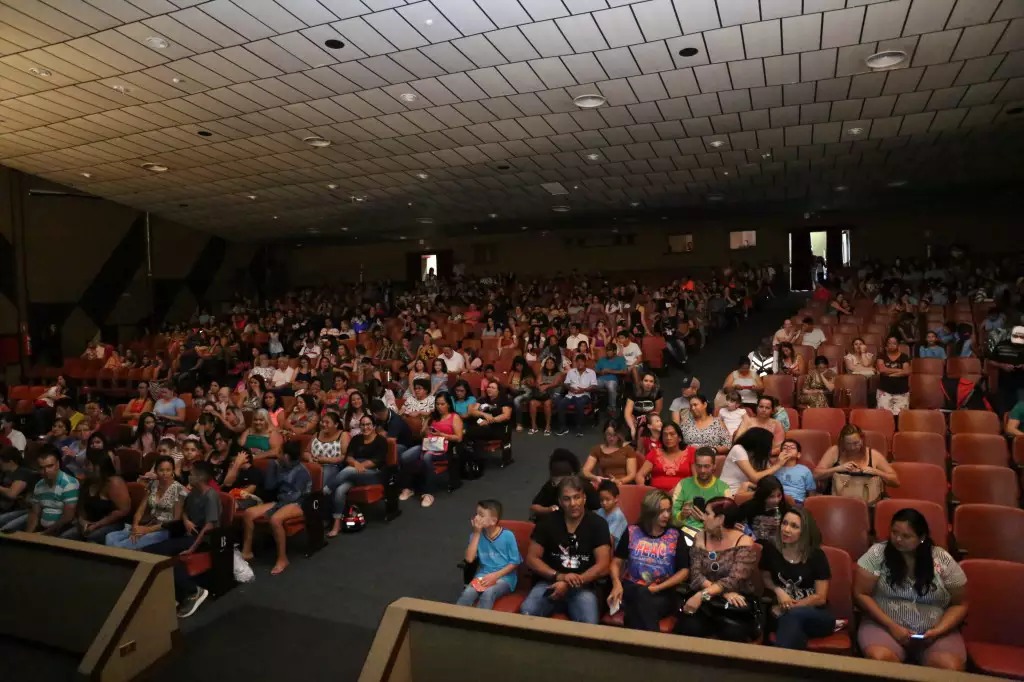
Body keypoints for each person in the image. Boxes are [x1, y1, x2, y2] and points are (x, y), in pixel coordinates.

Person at [855, 508, 968, 670]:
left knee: (950, 666)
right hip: (885, 626)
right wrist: (892, 626)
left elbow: (960, 603)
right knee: (880, 658)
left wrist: (938, 630)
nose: (898, 539)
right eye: (894, 532)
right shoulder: (877, 553)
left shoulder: (941, 558)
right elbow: (861, 593)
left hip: (935, 631)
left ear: (921, 538)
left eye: (906, 536)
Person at [520, 475, 611, 624]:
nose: (573, 503)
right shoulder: (547, 522)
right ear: (560, 502)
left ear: (584, 498)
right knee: (527, 612)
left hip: (583, 587)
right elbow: (532, 559)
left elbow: (603, 565)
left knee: (590, 624)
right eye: (567, 499)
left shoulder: (598, 524)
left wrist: (569, 583)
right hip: (549, 583)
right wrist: (559, 577)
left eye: (577, 497)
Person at [676, 497, 759, 642]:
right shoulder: (701, 537)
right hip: (708, 600)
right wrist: (720, 593)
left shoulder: (745, 542)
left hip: (734, 604)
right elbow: (696, 575)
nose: (704, 517)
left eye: (707, 514)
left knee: (733, 633)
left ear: (720, 519)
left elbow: (735, 580)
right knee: (689, 627)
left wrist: (702, 595)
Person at [146, 461, 222, 619]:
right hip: (188, 534)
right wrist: (186, 520)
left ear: (201, 476)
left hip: (203, 540)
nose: (190, 475)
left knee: (165, 554)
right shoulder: (193, 492)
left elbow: (209, 527)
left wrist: (193, 548)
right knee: (154, 551)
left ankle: (193, 591)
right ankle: (173, 592)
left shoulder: (210, 496)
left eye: (193, 473)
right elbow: (185, 512)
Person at [608, 490, 690, 631]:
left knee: (637, 606)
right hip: (632, 587)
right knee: (641, 595)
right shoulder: (632, 531)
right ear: (650, 511)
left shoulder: (675, 535)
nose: (666, 515)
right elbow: (616, 562)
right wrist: (616, 583)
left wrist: (657, 588)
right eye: (661, 511)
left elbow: (684, 571)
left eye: (668, 510)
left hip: (662, 593)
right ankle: (654, 647)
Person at [761, 507, 835, 650]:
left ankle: (779, 664)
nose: (786, 529)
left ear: (805, 532)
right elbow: (765, 577)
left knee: (791, 617)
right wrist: (779, 591)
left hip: (816, 614)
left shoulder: (816, 555)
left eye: (794, 526)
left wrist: (790, 607)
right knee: (793, 628)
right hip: (782, 614)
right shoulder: (771, 549)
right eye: (784, 523)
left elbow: (820, 597)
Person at [240, 441, 311, 574]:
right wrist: (272, 468)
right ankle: (247, 552)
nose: (277, 454)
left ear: (287, 456)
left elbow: (294, 497)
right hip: (280, 500)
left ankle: (282, 559)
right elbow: (269, 487)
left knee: (275, 519)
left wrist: (273, 510)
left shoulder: (302, 472)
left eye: (280, 452)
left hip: (299, 503)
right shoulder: (279, 465)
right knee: (249, 513)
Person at [107, 455, 186, 549]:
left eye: (168, 470)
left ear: (173, 471)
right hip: (149, 523)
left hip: (164, 529)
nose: (164, 473)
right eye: (161, 470)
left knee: (120, 545)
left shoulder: (179, 490)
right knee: (110, 537)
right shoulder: (153, 484)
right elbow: (140, 510)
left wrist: (147, 530)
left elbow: (175, 521)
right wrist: (135, 526)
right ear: (156, 471)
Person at [456, 499, 522, 610]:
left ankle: (481, 623)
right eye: (476, 514)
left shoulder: (508, 536)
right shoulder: (475, 536)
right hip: (483, 575)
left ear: (493, 521)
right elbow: (469, 559)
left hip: (504, 578)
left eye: (481, 515)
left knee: (488, 593)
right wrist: (477, 533)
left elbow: (515, 562)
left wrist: (495, 576)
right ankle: (456, 618)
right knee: (468, 593)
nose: (476, 518)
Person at [402, 392, 462, 508]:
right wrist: (425, 428)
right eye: (437, 404)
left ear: (448, 404)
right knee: (405, 456)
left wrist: (441, 434)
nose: (439, 407)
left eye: (442, 404)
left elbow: (459, 438)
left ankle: (428, 492)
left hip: (444, 448)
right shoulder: (433, 416)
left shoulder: (454, 417)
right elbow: (422, 434)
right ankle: (409, 487)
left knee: (427, 457)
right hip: (428, 444)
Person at [62, 449, 131, 543]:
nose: (84, 467)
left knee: (93, 537)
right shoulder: (87, 482)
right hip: (89, 523)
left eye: (87, 464)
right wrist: (82, 521)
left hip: (112, 524)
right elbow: (80, 506)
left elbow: (123, 511)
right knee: (65, 537)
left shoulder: (114, 482)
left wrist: (97, 525)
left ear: (98, 466)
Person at [814, 424, 899, 499]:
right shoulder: (835, 451)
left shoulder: (873, 454)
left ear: (862, 439)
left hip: (869, 505)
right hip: (840, 505)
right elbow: (816, 474)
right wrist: (838, 468)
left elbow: (896, 481)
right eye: (848, 444)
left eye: (856, 443)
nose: (852, 447)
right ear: (842, 442)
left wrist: (877, 472)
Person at [671, 447, 730, 531]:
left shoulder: (723, 488)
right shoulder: (683, 484)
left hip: (712, 533)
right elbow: (672, 515)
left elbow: (728, 521)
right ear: (694, 465)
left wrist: (707, 520)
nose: (702, 470)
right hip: (686, 530)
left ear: (714, 466)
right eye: (699, 466)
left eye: (706, 466)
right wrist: (682, 515)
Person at [529, 449, 600, 519]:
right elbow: (534, 507)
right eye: (556, 479)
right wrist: (548, 510)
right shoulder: (551, 486)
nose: (559, 483)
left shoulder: (585, 486)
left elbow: (599, 509)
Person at [25, 445, 79, 536]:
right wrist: (28, 535)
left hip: (63, 528)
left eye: (50, 466)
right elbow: (35, 513)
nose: (46, 471)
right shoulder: (39, 485)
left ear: (58, 464)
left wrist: (43, 534)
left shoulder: (69, 483)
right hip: (43, 527)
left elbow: (68, 517)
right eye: (42, 468)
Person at [720, 426, 789, 495]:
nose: (771, 447)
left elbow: (767, 477)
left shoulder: (759, 455)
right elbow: (755, 478)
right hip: (730, 492)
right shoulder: (738, 449)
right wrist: (778, 465)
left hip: (749, 491)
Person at [635, 422, 693, 492]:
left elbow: (697, 478)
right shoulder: (655, 453)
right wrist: (644, 490)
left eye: (672, 434)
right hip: (657, 497)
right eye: (665, 435)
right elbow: (639, 475)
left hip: (683, 495)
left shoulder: (691, 452)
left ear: (679, 438)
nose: (668, 438)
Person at [582, 419, 637, 487]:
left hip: (623, 484)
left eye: (615, 435)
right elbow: (585, 471)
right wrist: (595, 477)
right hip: (606, 484)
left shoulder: (628, 449)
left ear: (619, 435)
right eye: (609, 434)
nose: (611, 438)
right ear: (604, 433)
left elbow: (632, 474)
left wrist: (619, 481)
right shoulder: (597, 449)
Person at [554, 354, 597, 437]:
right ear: (576, 363)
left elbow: (594, 386)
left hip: (584, 394)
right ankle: (563, 428)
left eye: (582, 362)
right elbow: (566, 383)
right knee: (561, 404)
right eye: (578, 362)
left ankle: (579, 428)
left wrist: (584, 389)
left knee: (579, 403)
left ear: (585, 362)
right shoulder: (571, 371)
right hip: (571, 394)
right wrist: (570, 388)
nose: (580, 363)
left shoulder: (591, 372)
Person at [737, 475, 787, 545]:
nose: (776, 500)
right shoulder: (748, 507)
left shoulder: (785, 507)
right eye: (771, 496)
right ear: (762, 495)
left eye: (779, 495)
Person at [0, 446, 35, 531]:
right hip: (5, 506)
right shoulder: (5, 472)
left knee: (5, 527)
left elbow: (12, 493)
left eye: (1, 463)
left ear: (11, 462)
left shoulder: (23, 472)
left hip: (20, 509)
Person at [875, 335, 911, 415]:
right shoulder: (882, 355)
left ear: (898, 345)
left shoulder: (904, 356)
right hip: (885, 391)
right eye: (889, 343)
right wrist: (899, 370)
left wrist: (890, 373)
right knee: (883, 416)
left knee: (901, 417)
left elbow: (906, 372)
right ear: (886, 345)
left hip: (902, 392)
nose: (891, 345)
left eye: (894, 343)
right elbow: (882, 370)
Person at [623, 371, 663, 441]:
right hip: (634, 417)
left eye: (651, 381)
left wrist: (645, 420)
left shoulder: (657, 393)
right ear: (641, 382)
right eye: (646, 381)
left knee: (644, 429)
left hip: (649, 417)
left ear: (654, 384)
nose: (648, 383)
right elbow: (627, 412)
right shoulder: (634, 392)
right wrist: (632, 427)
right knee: (632, 431)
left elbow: (657, 412)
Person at [774, 439, 817, 504]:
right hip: (777, 501)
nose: (788, 449)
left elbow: (811, 491)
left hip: (796, 501)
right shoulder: (774, 468)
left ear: (798, 455)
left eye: (792, 447)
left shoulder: (804, 470)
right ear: (780, 453)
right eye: (785, 447)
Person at [594, 343, 627, 414]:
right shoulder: (602, 359)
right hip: (601, 379)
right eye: (607, 350)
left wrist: (610, 371)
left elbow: (624, 372)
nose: (608, 352)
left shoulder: (620, 359)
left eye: (610, 350)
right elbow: (595, 370)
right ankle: (592, 405)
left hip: (612, 380)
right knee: (591, 385)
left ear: (615, 351)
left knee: (611, 386)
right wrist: (600, 372)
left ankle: (612, 407)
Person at [595, 480, 628, 545]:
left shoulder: (618, 516)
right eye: (601, 500)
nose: (604, 503)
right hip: (602, 542)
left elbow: (610, 538)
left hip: (615, 548)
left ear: (616, 498)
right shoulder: (600, 511)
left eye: (607, 499)